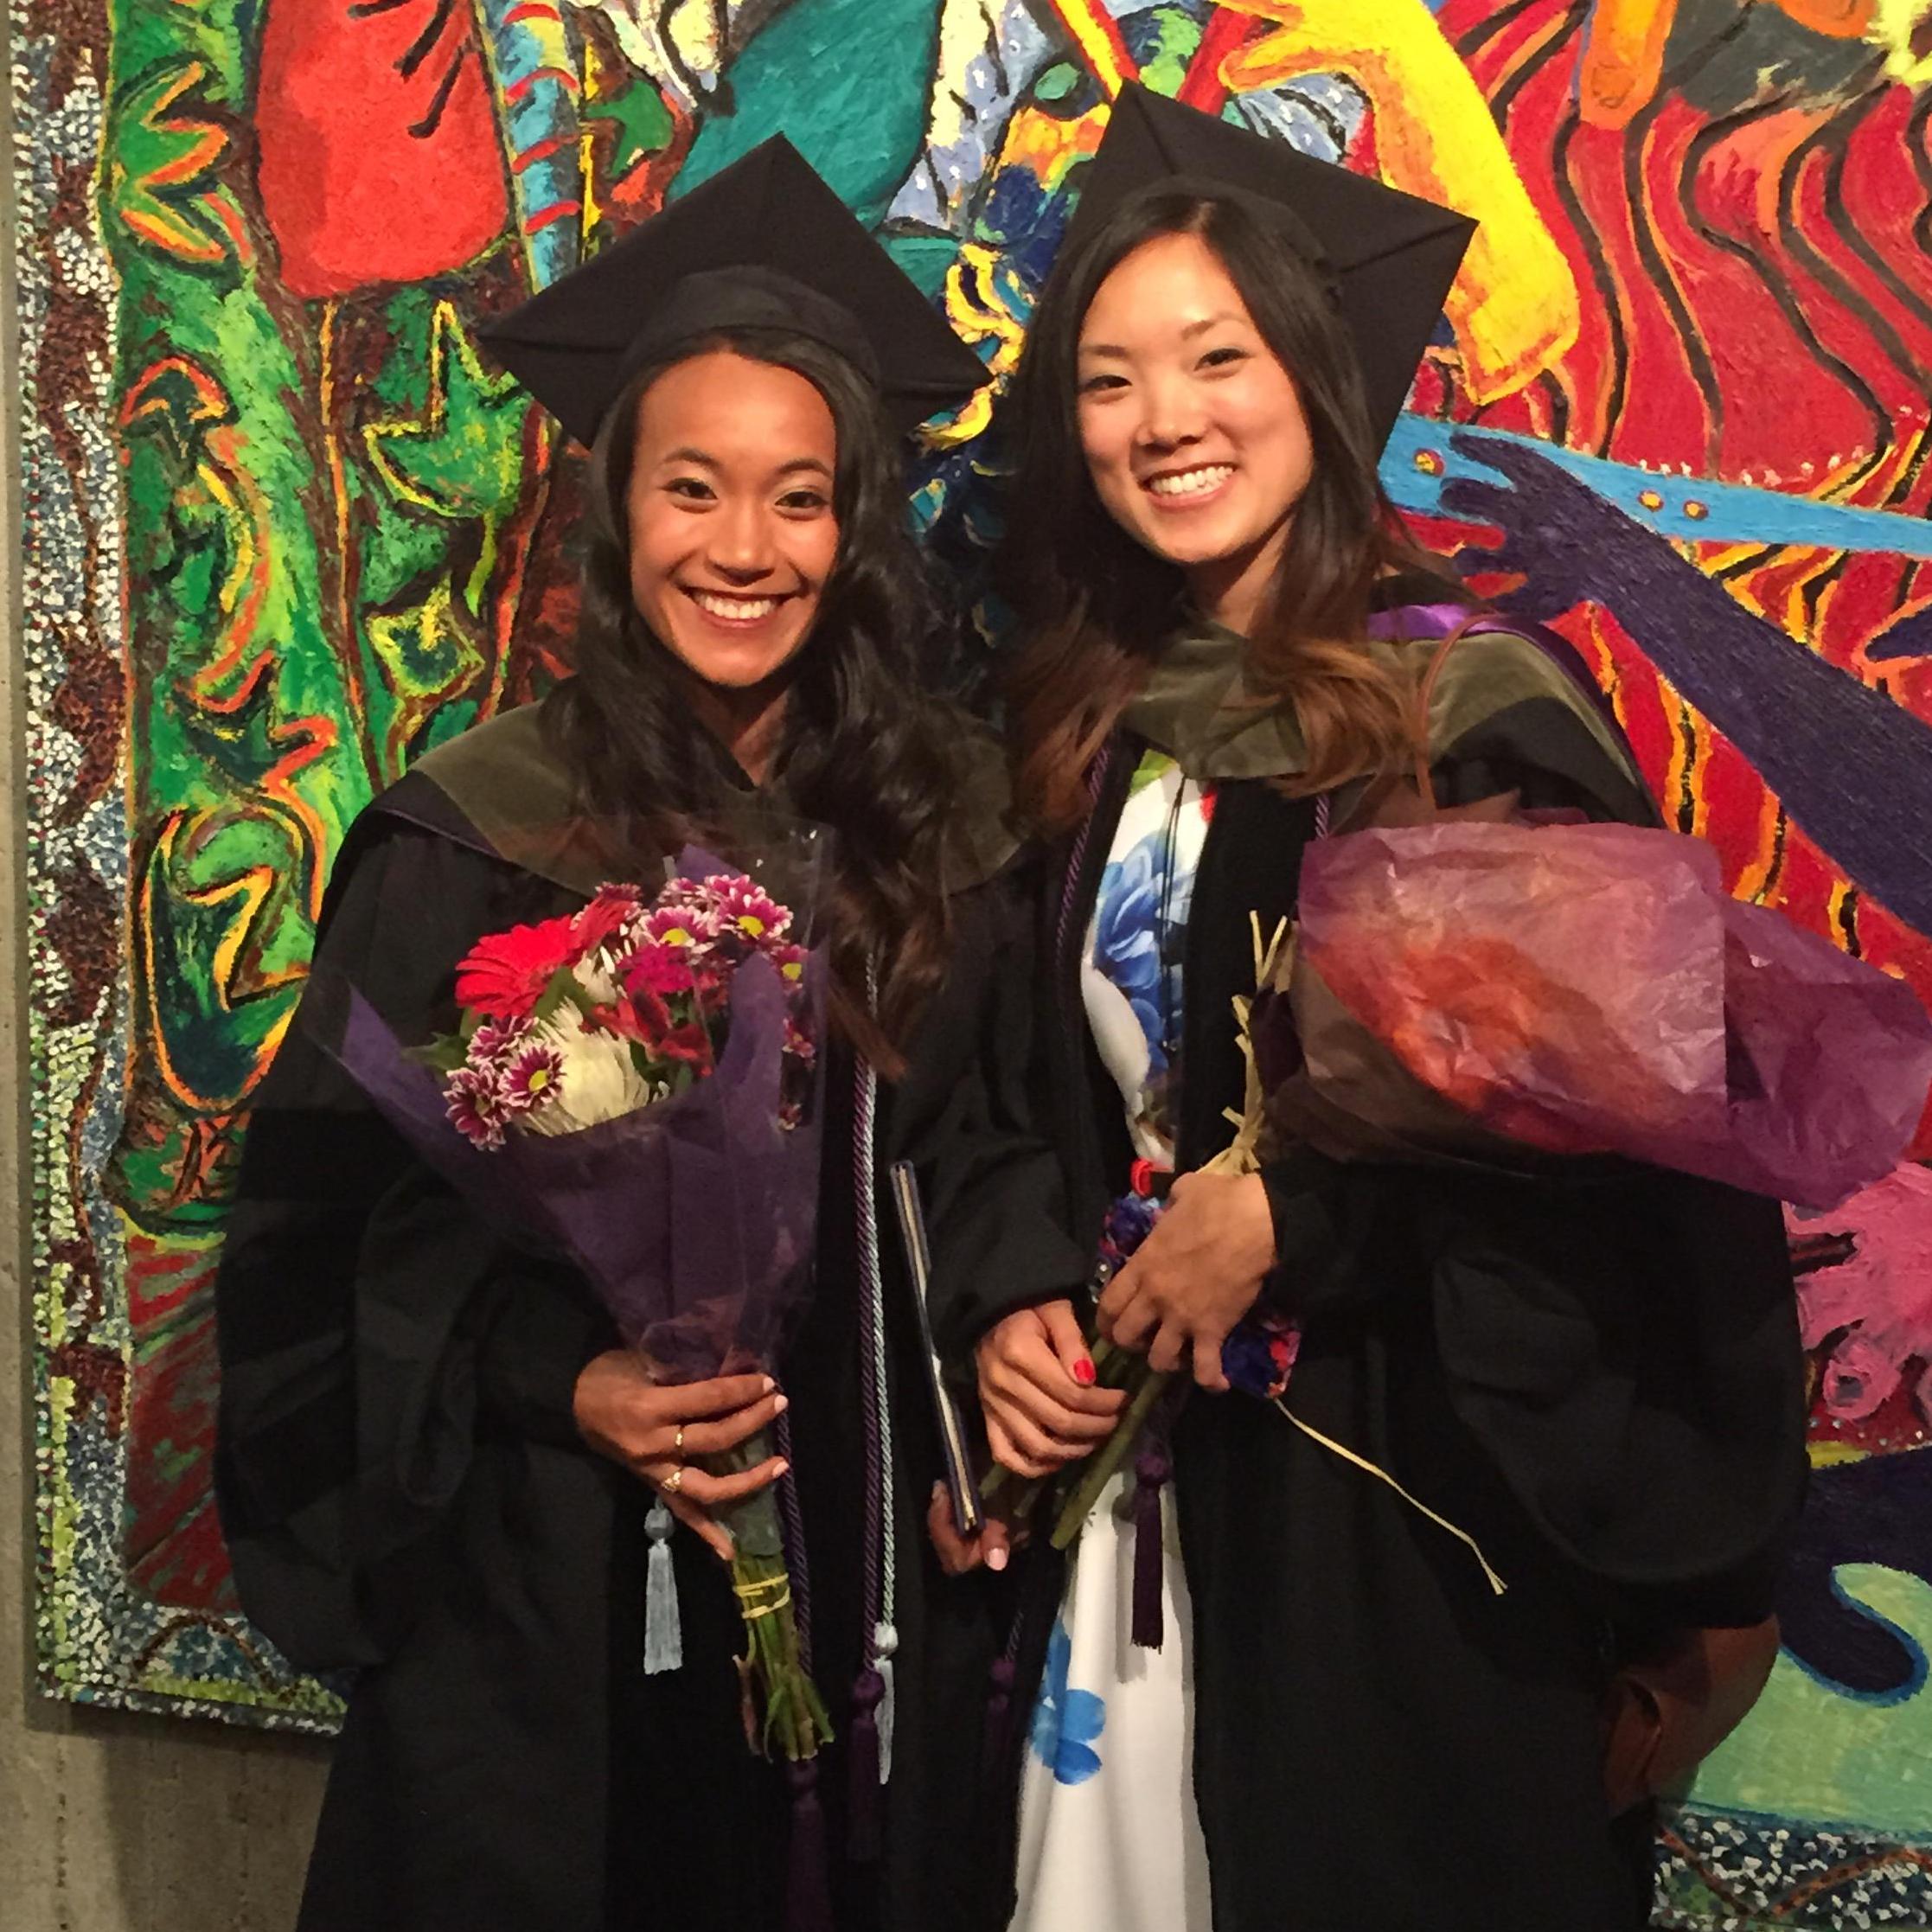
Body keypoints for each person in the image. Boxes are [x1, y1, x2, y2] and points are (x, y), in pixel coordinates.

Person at [940, 85, 1808, 1932]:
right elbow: (1005, 1078)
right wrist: (1009, 1283)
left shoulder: (1465, 713)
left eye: (1216, 357)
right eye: (1107, 378)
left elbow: (1612, 1145)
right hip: (1133, 1499)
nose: (1163, 419)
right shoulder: (1087, 729)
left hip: (1394, 1521)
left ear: (1317, 381)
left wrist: (1289, 1213)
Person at [214, 137, 1080, 1932]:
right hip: (546, 1607)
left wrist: (988, 1382)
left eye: (798, 498)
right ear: (619, 514)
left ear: (854, 532)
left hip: (880, 1589)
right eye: (694, 489)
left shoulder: (947, 832)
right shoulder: (478, 837)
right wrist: (564, 1380)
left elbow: (996, 1154)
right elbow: (325, 1251)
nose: (742, 550)